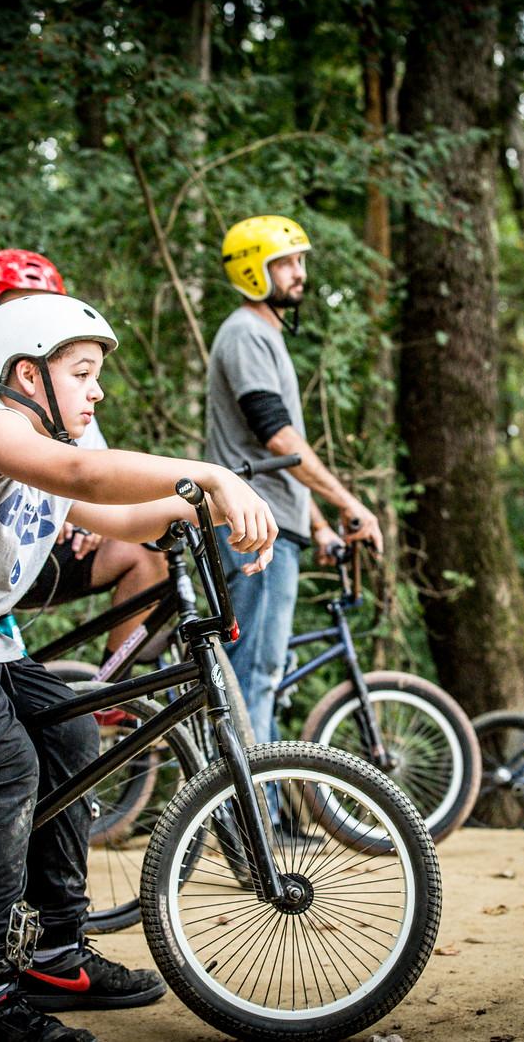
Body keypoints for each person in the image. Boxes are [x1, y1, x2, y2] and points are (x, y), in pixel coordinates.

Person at [0, 293, 278, 1042]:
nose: (98, 391)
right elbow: (88, 475)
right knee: (5, 766)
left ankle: (57, 950)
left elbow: (124, 518)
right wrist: (214, 473)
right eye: (84, 371)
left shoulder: (33, 457)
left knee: (70, 736)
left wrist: (220, 506)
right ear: (28, 375)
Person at [0, 249, 167, 667]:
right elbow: (76, 472)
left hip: (45, 533)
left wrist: (211, 501)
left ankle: (114, 691)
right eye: (22, 299)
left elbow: (94, 474)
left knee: (146, 554)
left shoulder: (61, 394)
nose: (38, 312)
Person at [205, 215, 383, 746]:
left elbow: (279, 463)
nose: (298, 273)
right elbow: (277, 438)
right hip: (253, 528)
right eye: (284, 263)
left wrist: (322, 525)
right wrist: (350, 503)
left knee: (265, 674)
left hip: (275, 520)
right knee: (252, 674)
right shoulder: (245, 334)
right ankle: (250, 819)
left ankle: (270, 814)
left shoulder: (267, 336)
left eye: (300, 261)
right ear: (253, 272)